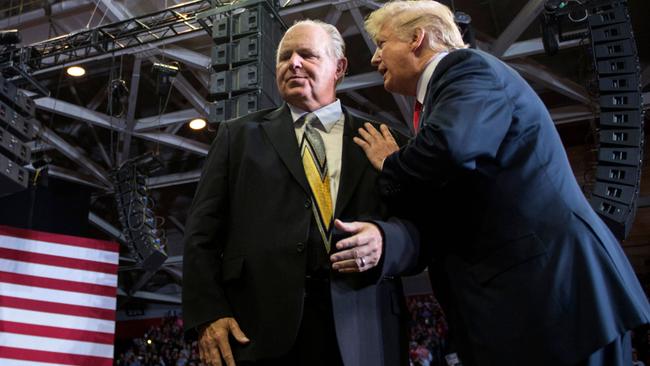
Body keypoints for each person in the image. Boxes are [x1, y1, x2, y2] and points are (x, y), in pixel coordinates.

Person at [353, 1, 650, 366]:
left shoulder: (465, 69)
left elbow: (452, 147)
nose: (374, 57)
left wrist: (391, 162)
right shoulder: (445, 95)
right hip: (538, 307)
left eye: (382, 43)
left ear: (417, 38)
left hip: (561, 300)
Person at [182, 19, 420, 366]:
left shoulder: (385, 140)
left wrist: (386, 241)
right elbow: (201, 234)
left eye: (307, 55)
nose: (293, 63)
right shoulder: (238, 137)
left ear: (339, 68)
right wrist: (207, 314)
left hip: (364, 328)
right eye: (285, 57)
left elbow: (422, 231)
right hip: (256, 332)